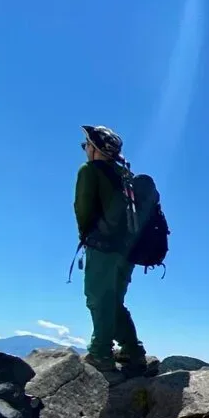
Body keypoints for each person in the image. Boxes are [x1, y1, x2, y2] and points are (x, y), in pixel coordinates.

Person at [74, 124, 148, 376]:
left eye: (87, 146)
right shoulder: (125, 176)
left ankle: (100, 353)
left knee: (98, 299)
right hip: (128, 253)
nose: (85, 150)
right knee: (114, 301)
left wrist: (86, 235)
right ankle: (132, 351)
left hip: (102, 248)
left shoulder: (90, 171)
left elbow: (83, 208)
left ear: (95, 150)